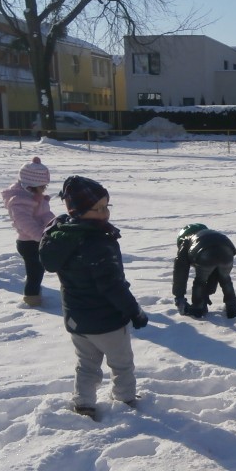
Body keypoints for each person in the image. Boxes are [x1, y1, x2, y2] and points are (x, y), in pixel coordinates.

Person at [39, 176, 148, 420]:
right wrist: (134, 311)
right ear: (77, 211)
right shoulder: (97, 242)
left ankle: (84, 402)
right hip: (107, 320)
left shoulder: (63, 235)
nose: (104, 213)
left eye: (106, 206)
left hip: (77, 319)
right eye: (97, 209)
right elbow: (112, 285)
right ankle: (125, 399)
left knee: (87, 364)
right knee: (121, 364)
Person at [1, 156, 55, 306]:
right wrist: (40, 235)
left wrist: (54, 224)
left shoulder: (35, 197)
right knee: (34, 271)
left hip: (37, 239)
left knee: (38, 269)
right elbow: (24, 223)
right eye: (42, 187)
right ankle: (31, 296)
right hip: (29, 242)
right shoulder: (19, 202)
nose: (44, 189)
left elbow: (44, 214)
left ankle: (34, 292)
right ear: (31, 185)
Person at [172, 223, 236, 319]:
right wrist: (207, 292)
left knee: (200, 281)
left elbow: (180, 271)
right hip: (227, 251)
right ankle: (232, 307)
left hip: (204, 254)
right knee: (225, 279)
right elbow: (214, 272)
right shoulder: (211, 234)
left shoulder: (186, 240)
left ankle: (198, 309)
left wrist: (179, 297)